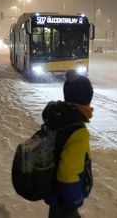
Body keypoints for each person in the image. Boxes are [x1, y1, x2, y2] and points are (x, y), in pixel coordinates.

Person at [42, 69, 94, 218]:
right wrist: (75, 200)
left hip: (54, 195)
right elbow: (67, 174)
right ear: (87, 99)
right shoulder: (78, 131)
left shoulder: (58, 119)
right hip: (65, 201)